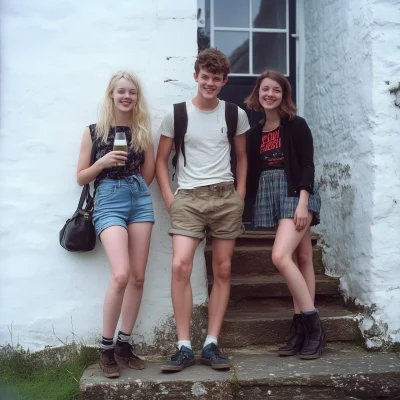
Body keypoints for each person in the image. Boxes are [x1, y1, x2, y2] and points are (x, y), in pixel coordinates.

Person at [156, 48, 249, 371]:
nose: (210, 83)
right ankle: (183, 346)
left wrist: (239, 195)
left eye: (216, 79)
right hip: (189, 200)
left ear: (225, 81)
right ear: (196, 76)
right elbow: (160, 161)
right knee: (181, 266)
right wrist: (171, 198)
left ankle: (211, 343)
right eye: (205, 77)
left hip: (225, 198)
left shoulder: (234, 114)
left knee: (222, 269)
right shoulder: (177, 114)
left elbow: (242, 158)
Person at [76, 71, 155, 378]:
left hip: (139, 199)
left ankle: (124, 343)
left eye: (132, 92)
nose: (126, 96)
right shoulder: (94, 131)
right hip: (108, 199)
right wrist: (102, 164)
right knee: (121, 274)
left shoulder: (142, 130)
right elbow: (81, 176)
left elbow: (147, 173)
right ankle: (106, 348)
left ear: (137, 97)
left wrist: (134, 186)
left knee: (137, 277)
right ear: (111, 94)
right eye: (121, 91)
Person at [245, 70, 325, 359]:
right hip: (271, 194)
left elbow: (307, 164)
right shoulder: (254, 133)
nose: (270, 94)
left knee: (280, 257)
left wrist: (303, 202)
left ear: (283, 95)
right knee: (301, 258)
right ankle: (299, 330)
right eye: (265, 89)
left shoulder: (296, 125)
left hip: (295, 193)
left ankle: (314, 327)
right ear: (257, 93)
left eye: (276, 90)